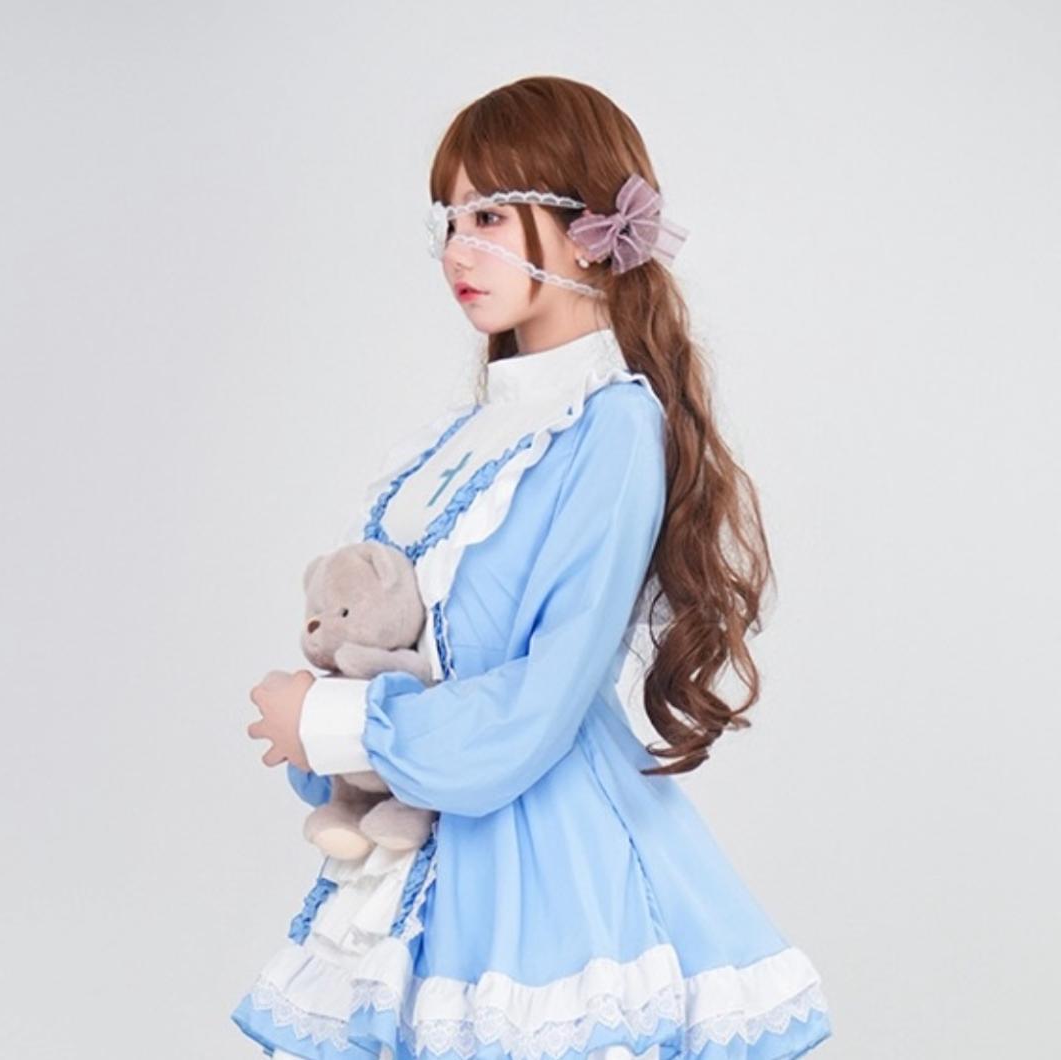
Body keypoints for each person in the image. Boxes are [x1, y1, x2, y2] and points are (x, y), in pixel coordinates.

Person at [233, 75, 833, 1060]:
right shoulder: (465, 437)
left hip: (547, 872)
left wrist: (338, 722)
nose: (456, 250)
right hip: (434, 850)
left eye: (489, 216)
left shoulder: (612, 428)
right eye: (449, 218)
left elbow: (541, 700)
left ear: (590, 230)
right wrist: (327, 722)